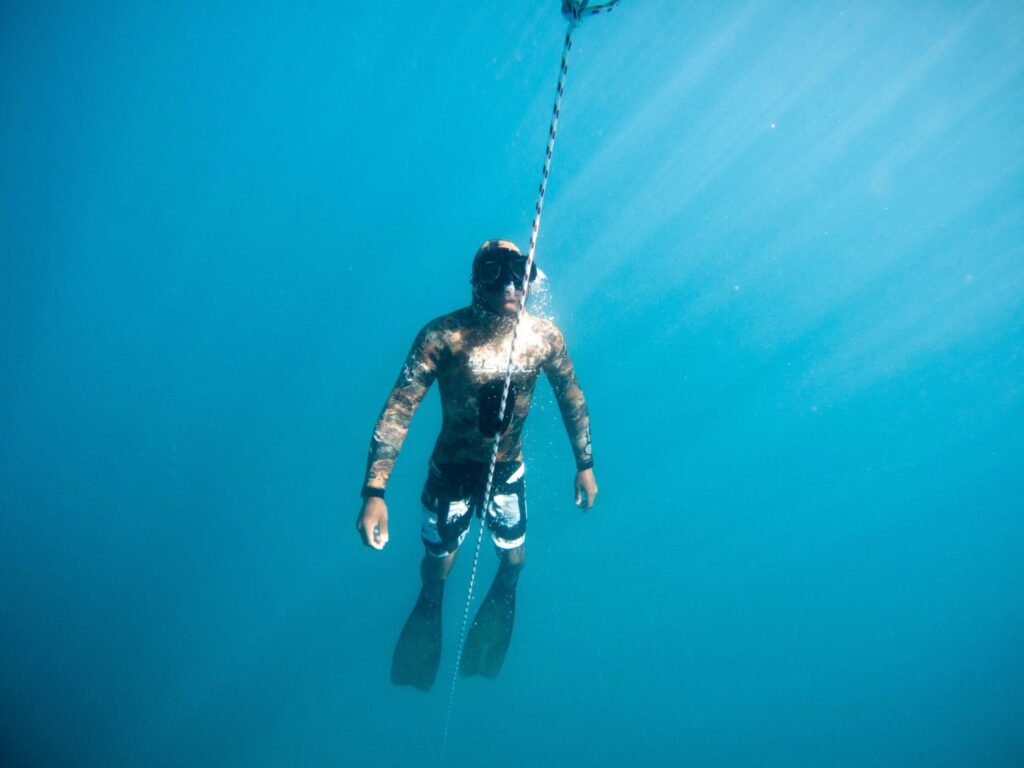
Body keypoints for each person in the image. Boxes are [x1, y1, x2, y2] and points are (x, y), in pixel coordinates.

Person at [355, 239, 598, 691]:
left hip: (507, 471)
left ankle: (504, 588)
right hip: (450, 472)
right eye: (493, 271)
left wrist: (584, 463)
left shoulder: (542, 337)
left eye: (517, 272)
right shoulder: (443, 336)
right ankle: (432, 598)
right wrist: (374, 491)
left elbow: (571, 395)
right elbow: (400, 406)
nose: (507, 283)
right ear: (476, 279)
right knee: (438, 563)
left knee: (515, 556)